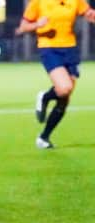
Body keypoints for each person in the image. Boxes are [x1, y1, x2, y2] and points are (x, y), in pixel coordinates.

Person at [16, 0, 95, 149]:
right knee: (64, 87)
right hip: (49, 48)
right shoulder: (38, 2)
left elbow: (88, 13)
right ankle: (44, 97)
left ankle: (44, 137)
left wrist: (91, 15)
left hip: (70, 49)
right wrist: (37, 25)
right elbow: (23, 27)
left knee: (65, 97)